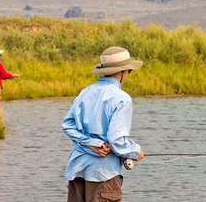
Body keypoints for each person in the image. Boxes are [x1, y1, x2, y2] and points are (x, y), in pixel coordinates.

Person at [61, 46, 144, 202]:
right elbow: (116, 140)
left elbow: (67, 125)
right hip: (103, 173)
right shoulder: (122, 98)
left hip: (77, 170)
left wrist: (92, 144)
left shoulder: (85, 92)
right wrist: (135, 151)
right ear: (123, 72)